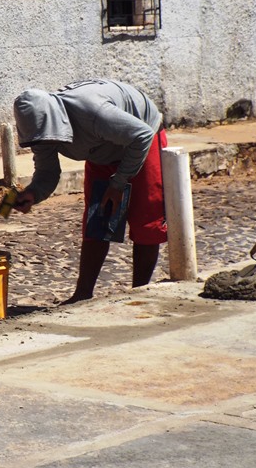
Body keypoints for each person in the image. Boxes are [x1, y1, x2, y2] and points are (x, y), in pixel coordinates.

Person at [11, 79, 167, 304]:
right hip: (102, 151)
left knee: (146, 220)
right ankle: (83, 294)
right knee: (98, 219)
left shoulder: (93, 112)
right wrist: (33, 193)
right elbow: (48, 171)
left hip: (143, 139)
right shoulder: (40, 130)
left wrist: (118, 183)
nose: (46, 142)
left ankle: (139, 292)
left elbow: (141, 136)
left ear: (56, 119)